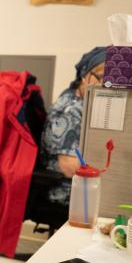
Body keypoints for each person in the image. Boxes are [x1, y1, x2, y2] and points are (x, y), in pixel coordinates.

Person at [41, 46, 106, 204]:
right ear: (85, 76)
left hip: (82, 187)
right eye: (102, 77)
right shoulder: (70, 111)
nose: (106, 85)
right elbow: (69, 167)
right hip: (66, 191)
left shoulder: (84, 101)